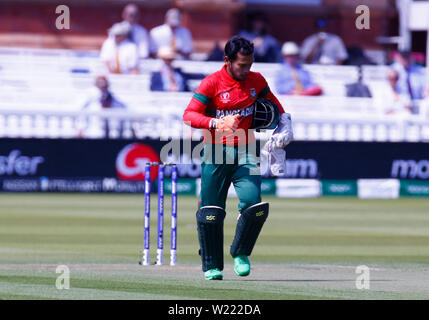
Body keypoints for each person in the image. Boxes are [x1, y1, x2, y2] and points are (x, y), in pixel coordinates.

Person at [182, 36, 293, 280]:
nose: (246, 70)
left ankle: (241, 253)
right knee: (211, 211)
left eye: (249, 64)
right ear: (227, 61)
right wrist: (216, 121)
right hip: (215, 151)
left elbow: (275, 106)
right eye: (241, 65)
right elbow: (189, 115)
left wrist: (285, 123)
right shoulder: (212, 83)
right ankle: (211, 265)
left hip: (247, 150)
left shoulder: (257, 80)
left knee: (254, 206)